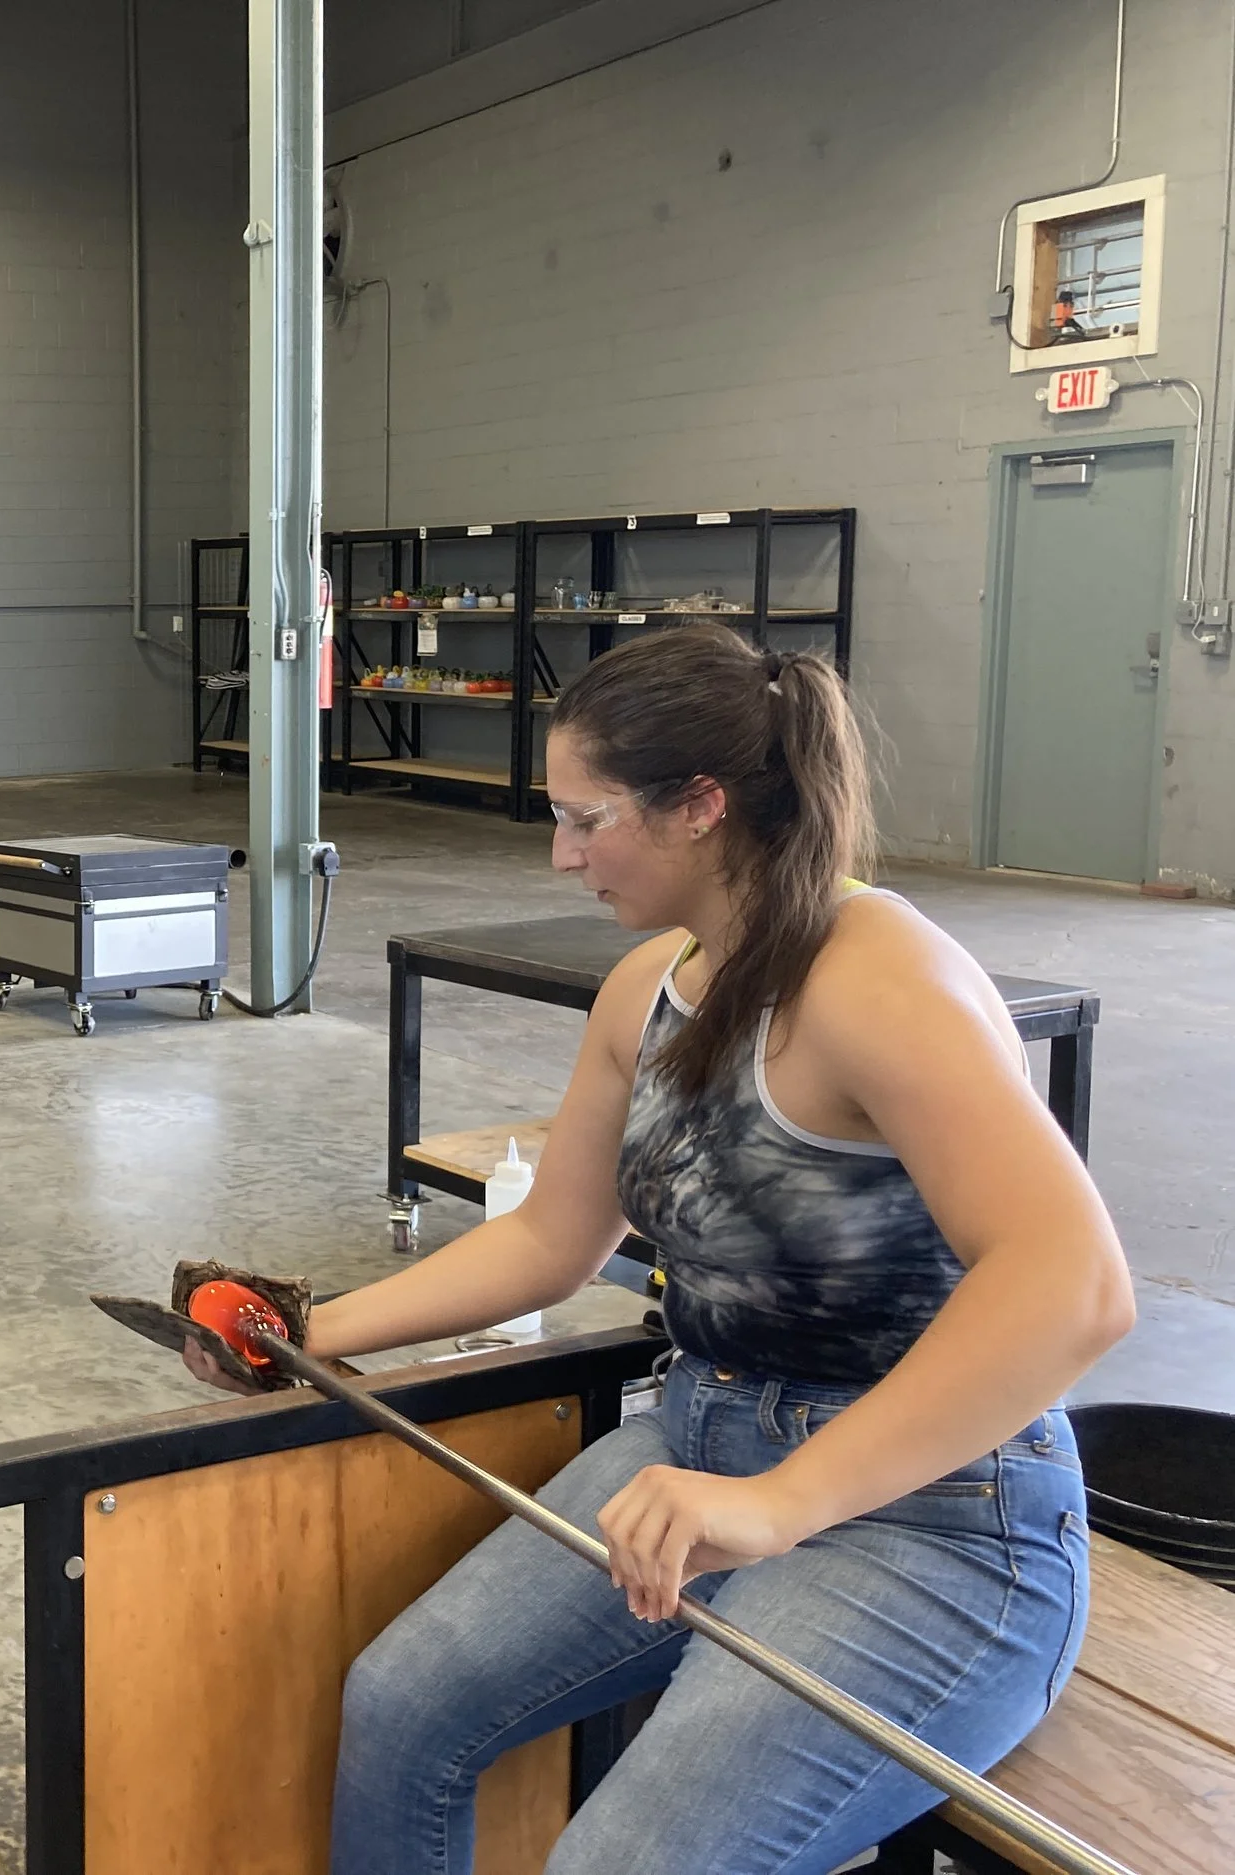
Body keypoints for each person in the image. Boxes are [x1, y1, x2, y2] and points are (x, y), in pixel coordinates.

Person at [186, 625, 1136, 1874]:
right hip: (699, 1444)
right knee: (401, 1708)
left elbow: (1075, 1283)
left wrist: (779, 1503)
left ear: (699, 807)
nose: (559, 852)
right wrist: (310, 1331)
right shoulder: (650, 985)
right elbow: (550, 1237)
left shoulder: (878, 980)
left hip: (936, 1517)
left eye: (586, 819)